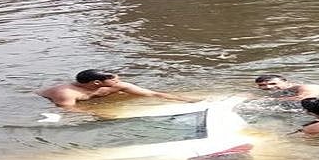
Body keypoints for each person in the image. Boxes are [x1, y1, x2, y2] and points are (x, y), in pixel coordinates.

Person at [38, 69, 200, 110]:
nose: (119, 82)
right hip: (38, 100)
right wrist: (101, 114)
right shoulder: (66, 93)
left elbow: (152, 93)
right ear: (96, 83)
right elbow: (69, 111)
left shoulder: (115, 86)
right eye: (114, 80)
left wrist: (187, 100)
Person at [254, 74, 319, 101]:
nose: (268, 87)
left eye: (273, 83)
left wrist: (270, 100)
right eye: (262, 85)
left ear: (286, 82)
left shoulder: (305, 87)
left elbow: (304, 98)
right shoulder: (285, 90)